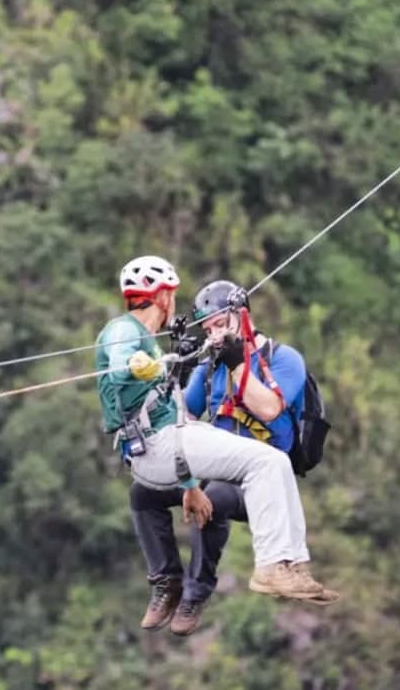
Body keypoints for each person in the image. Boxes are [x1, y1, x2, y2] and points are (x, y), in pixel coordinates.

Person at [94, 256, 332, 629]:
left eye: (222, 325)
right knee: (144, 495)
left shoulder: (283, 359)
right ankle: (166, 582)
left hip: (256, 483)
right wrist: (181, 368)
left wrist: (237, 361)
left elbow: (269, 409)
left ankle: (197, 592)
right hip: (217, 463)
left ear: (243, 317)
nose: (215, 334)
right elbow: (181, 418)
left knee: (217, 495)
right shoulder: (210, 365)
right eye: (210, 329)